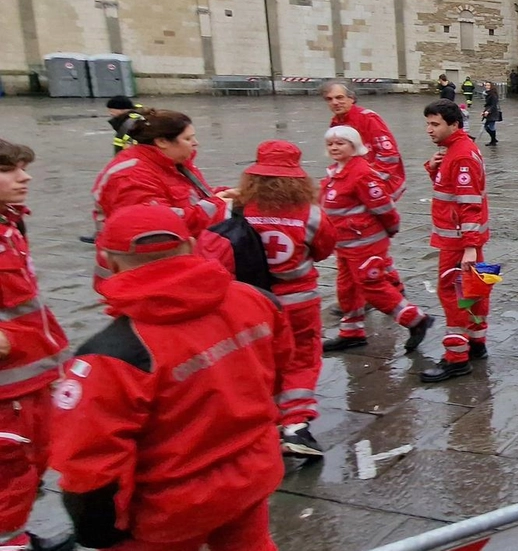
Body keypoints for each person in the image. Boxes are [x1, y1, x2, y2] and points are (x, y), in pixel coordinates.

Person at [51, 205, 292, 551]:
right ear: (191, 245)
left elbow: (89, 466)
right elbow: (279, 374)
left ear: (109, 262)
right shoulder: (257, 300)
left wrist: (98, 530)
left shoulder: (113, 354)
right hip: (253, 471)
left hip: (169, 508)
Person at [234, 140, 341, 461]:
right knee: (302, 358)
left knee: (260, 360)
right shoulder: (311, 215)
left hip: (252, 301)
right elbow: (324, 249)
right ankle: (296, 426)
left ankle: (262, 422)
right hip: (298, 301)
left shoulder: (240, 210)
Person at [0, 140, 72, 551]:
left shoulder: (9, 225)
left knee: (28, 468)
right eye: (9, 170)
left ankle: (15, 536)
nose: (24, 177)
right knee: (11, 473)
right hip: (8, 389)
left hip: (28, 378)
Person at [320, 126, 432, 356]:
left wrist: (390, 229)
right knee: (347, 287)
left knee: (372, 286)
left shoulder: (361, 173)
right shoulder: (336, 171)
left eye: (340, 143)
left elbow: (383, 207)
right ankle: (351, 333)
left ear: (354, 146)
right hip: (345, 244)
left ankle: (415, 319)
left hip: (365, 243)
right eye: (330, 144)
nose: (334, 147)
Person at [91, 108, 230, 288]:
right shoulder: (130, 177)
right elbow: (160, 228)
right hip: (140, 277)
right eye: (188, 138)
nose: (196, 143)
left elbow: (188, 196)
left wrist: (222, 193)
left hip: (171, 267)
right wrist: (220, 205)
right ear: (162, 141)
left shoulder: (172, 162)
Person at [421, 100, 491, 383]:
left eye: (435, 124)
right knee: (476, 291)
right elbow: (448, 188)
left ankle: (456, 357)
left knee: (453, 296)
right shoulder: (454, 151)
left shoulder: (460, 155)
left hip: (458, 243)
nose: (429, 130)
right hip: (465, 240)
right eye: (428, 123)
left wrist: (470, 247)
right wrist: (433, 166)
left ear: (454, 125)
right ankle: (476, 343)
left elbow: (469, 203)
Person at [321, 80, 407, 202]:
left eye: (339, 97)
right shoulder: (336, 123)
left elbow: (389, 154)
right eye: (329, 99)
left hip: (375, 182)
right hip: (355, 182)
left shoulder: (368, 118)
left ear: (351, 98)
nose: (334, 102)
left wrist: (372, 180)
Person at [481, 81, 503, 146]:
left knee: (490, 126)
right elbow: (487, 104)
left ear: (491, 86)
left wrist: (488, 111)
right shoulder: (487, 94)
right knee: (488, 126)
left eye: (488, 85)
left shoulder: (493, 94)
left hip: (493, 112)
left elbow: (493, 104)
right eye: (486, 85)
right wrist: (484, 111)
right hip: (489, 111)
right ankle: (493, 139)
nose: (487, 87)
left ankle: (493, 140)